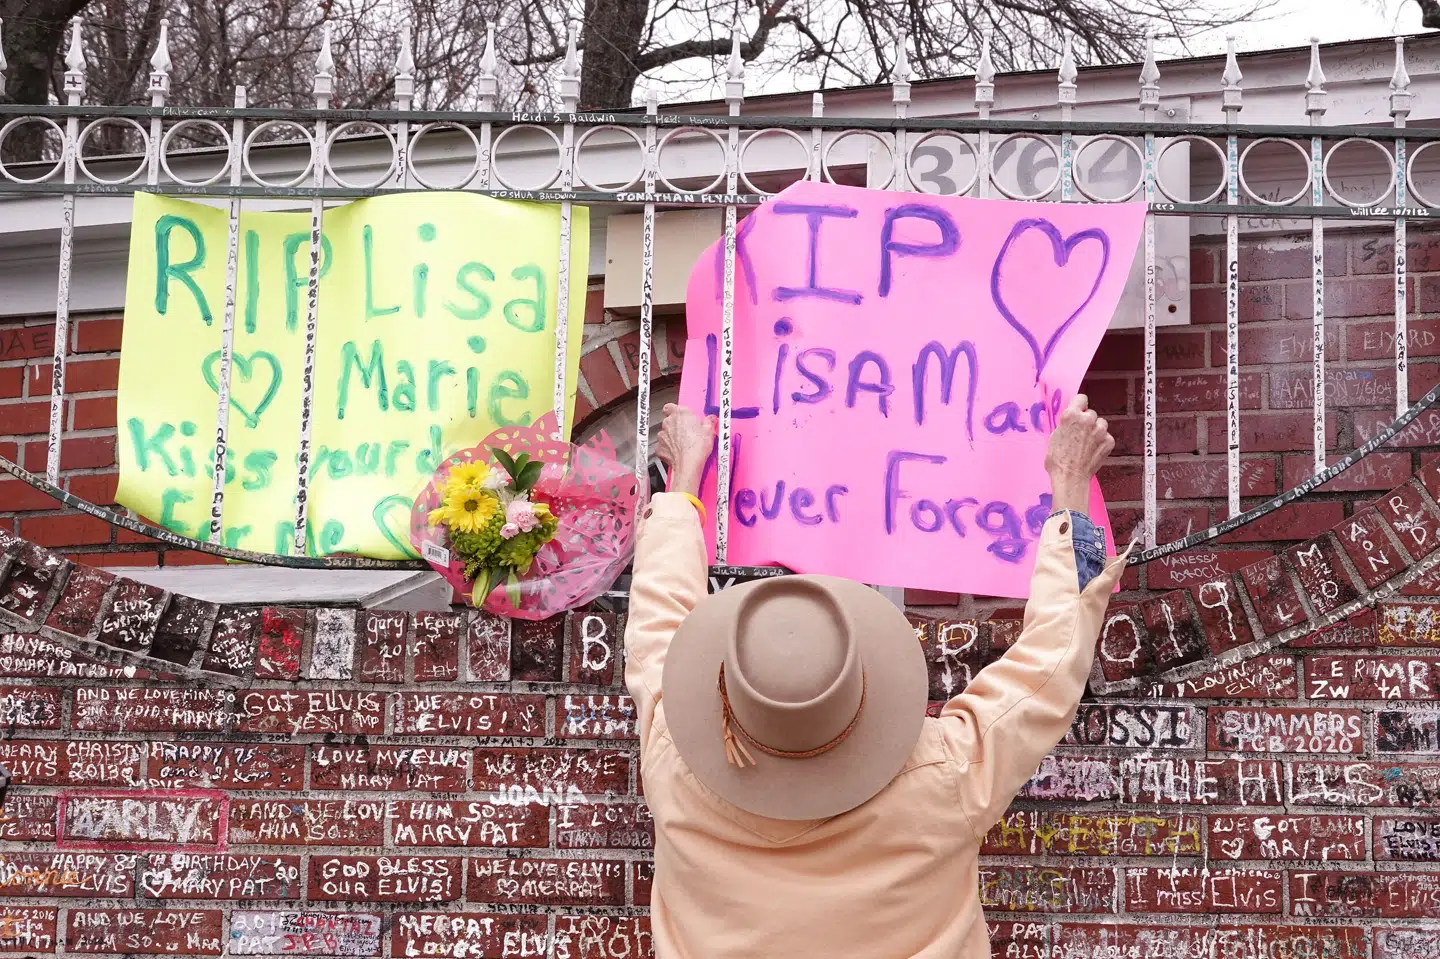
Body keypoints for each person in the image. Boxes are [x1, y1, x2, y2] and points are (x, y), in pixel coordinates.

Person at [625, 395, 1127, 958]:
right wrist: (1069, 487)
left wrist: (684, 479)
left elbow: (656, 617)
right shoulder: (946, 774)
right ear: (863, 673)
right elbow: (1050, 668)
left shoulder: (673, 756)